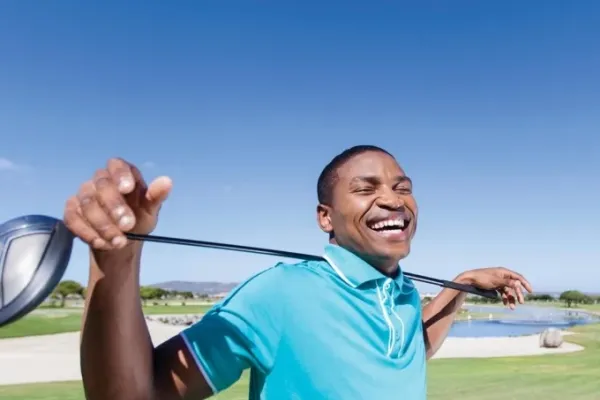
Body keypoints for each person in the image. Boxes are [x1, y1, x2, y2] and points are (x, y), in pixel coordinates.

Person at [65, 145, 532, 400]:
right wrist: (116, 259)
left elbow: (412, 349)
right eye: (366, 189)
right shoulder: (280, 293)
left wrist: (465, 281)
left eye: (402, 187)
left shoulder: (403, 292)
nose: (393, 199)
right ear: (325, 218)